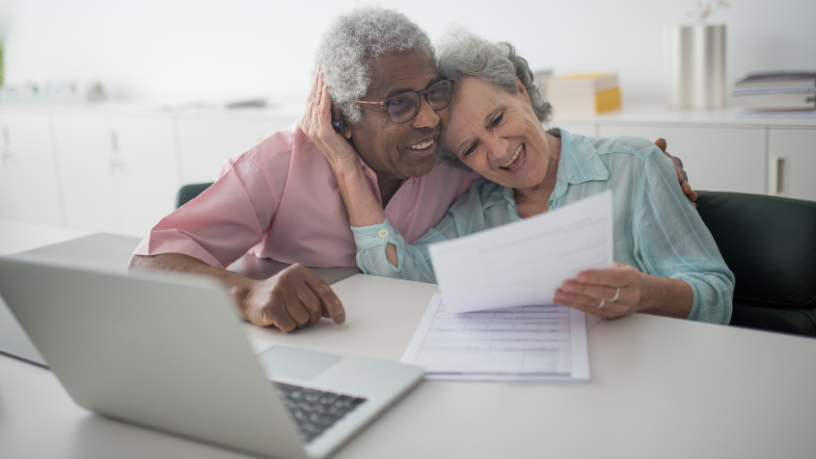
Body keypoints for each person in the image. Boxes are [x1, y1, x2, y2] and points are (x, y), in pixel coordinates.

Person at [130, 7, 695, 332]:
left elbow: (534, 154)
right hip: (291, 351)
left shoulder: (457, 162)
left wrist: (650, 162)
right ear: (344, 117)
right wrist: (244, 294)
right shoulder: (280, 166)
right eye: (400, 103)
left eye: (434, 93)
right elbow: (148, 263)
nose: (429, 118)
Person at [303, 32, 733, 324]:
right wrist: (346, 167)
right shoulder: (476, 210)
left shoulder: (634, 165)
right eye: (470, 148)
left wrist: (645, 293)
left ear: (520, 91)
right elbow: (396, 278)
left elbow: (716, 295)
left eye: (496, 118)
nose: (499, 151)